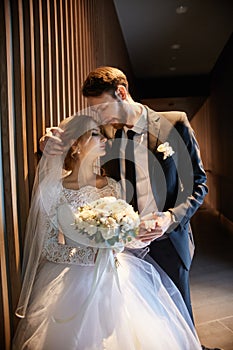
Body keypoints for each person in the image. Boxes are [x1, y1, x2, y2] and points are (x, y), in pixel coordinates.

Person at [13, 115, 202, 349]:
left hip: (119, 272)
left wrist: (136, 235)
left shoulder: (113, 185)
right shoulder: (52, 190)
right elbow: (50, 246)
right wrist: (93, 254)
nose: (103, 139)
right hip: (71, 279)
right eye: (95, 134)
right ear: (75, 145)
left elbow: (121, 233)